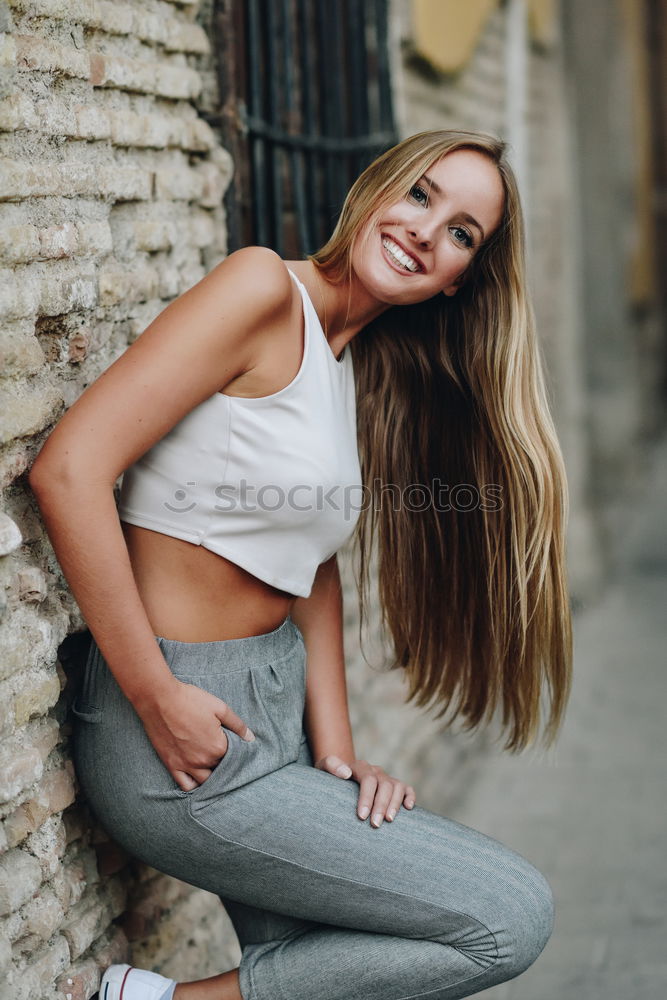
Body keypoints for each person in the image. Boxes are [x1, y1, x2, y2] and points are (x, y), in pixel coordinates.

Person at [29, 129, 572, 1000]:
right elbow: (70, 468)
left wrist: (339, 751)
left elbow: (309, 565)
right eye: (421, 195)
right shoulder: (260, 288)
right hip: (180, 736)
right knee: (506, 917)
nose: (427, 231)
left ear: (458, 278)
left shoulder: (340, 358)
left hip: (270, 720)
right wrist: (155, 695)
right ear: (375, 188)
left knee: (329, 980)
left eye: (462, 232)